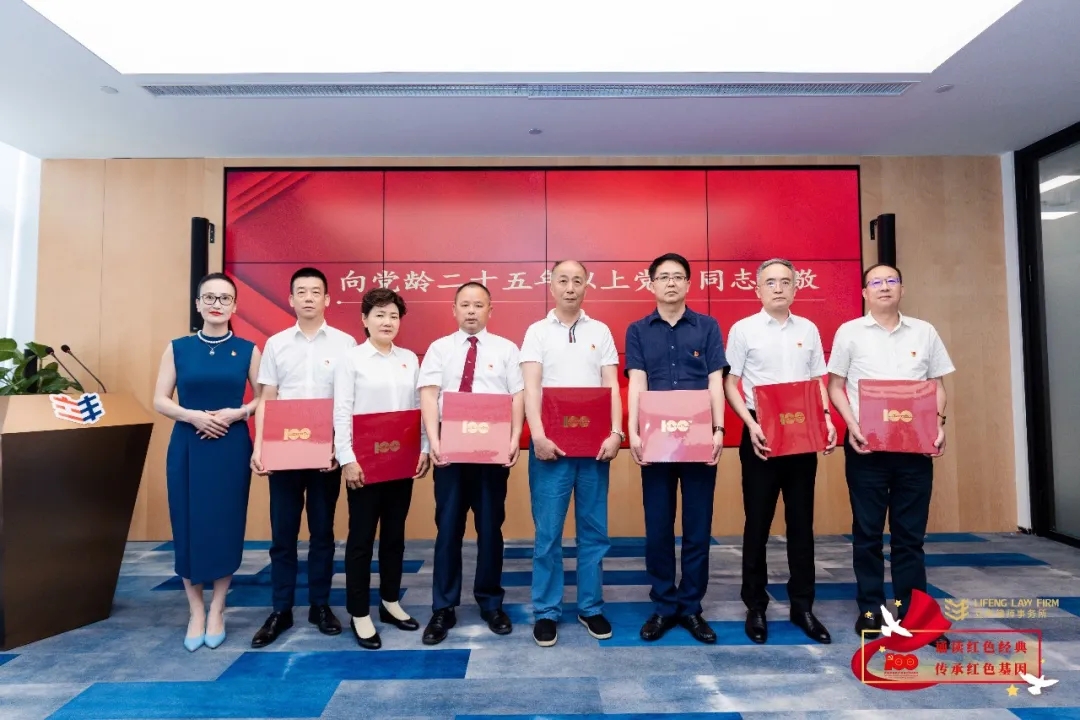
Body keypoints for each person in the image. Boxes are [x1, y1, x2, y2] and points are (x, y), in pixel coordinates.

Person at [826, 263, 953, 637]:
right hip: (867, 448)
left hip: (914, 449)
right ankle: (870, 610)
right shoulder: (850, 332)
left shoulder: (924, 332)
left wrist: (938, 423)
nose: (884, 287)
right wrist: (851, 425)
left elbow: (936, 384)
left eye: (891, 280)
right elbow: (835, 385)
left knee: (909, 537)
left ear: (902, 288)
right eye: (876, 282)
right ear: (865, 292)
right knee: (867, 535)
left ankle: (914, 614)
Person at [723, 258, 836, 646]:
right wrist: (750, 424)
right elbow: (731, 382)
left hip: (802, 430)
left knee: (801, 523)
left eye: (785, 281)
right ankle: (755, 605)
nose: (778, 288)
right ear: (757, 289)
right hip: (761, 430)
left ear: (795, 288)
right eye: (770, 282)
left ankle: (802, 606)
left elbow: (817, 380)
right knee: (757, 522)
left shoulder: (808, 329)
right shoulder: (744, 329)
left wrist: (826, 418)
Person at [153, 272, 261, 652]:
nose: (217, 304)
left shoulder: (248, 350)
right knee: (188, 523)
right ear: (198, 304)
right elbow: (160, 399)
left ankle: (218, 608)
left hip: (231, 446)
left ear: (235, 306)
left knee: (225, 523)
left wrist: (238, 413)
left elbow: (266, 397)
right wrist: (193, 416)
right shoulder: (178, 348)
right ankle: (195, 610)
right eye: (210, 297)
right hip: (188, 443)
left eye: (225, 298)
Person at [249, 267, 356, 648]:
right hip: (284, 452)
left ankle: (320, 605)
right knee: (283, 534)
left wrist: (339, 447)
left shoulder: (345, 344)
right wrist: (260, 447)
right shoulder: (276, 344)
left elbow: (348, 401)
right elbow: (267, 398)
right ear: (291, 299)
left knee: (323, 533)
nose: (308, 297)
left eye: (315, 292)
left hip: (326, 453)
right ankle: (281, 609)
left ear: (327, 299)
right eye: (301, 292)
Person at [624, 253, 727, 645]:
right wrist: (633, 431)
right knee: (658, 527)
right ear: (651, 284)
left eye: (678, 277)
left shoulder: (708, 326)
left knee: (698, 528)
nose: (671, 283)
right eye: (663, 277)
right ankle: (664, 606)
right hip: (656, 440)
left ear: (688, 284)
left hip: (699, 438)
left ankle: (691, 607)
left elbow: (715, 381)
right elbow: (637, 382)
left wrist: (718, 428)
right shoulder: (638, 330)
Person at [521, 259, 622, 647]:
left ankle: (590, 607)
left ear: (586, 286)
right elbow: (531, 388)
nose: (569, 287)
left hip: (594, 449)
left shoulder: (601, 330)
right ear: (551, 285)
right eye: (562, 280)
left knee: (594, 533)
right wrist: (538, 436)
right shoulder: (536, 331)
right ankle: (546, 611)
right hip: (551, 450)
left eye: (577, 281)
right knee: (548, 534)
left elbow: (611, 386)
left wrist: (616, 433)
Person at [417, 281, 525, 645]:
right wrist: (434, 442)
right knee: (448, 528)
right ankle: (443, 607)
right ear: (454, 309)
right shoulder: (439, 349)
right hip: (450, 449)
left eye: (479, 305)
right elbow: (428, 396)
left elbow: (517, 395)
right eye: (465, 304)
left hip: (491, 452)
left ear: (490, 310)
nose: (471, 311)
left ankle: (491, 602)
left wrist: (514, 438)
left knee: (491, 528)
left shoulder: (506, 349)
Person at [333, 288, 431, 649]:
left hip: (401, 461)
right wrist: (347, 458)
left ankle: (390, 602)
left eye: (393, 315)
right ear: (364, 319)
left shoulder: (409, 360)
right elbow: (342, 410)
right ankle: (359, 612)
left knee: (394, 536)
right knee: (361, 539)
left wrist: (424, 448)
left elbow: (418, 409)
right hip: (364, 463)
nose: (387, 321)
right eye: (379, 314)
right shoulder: (351, 359)